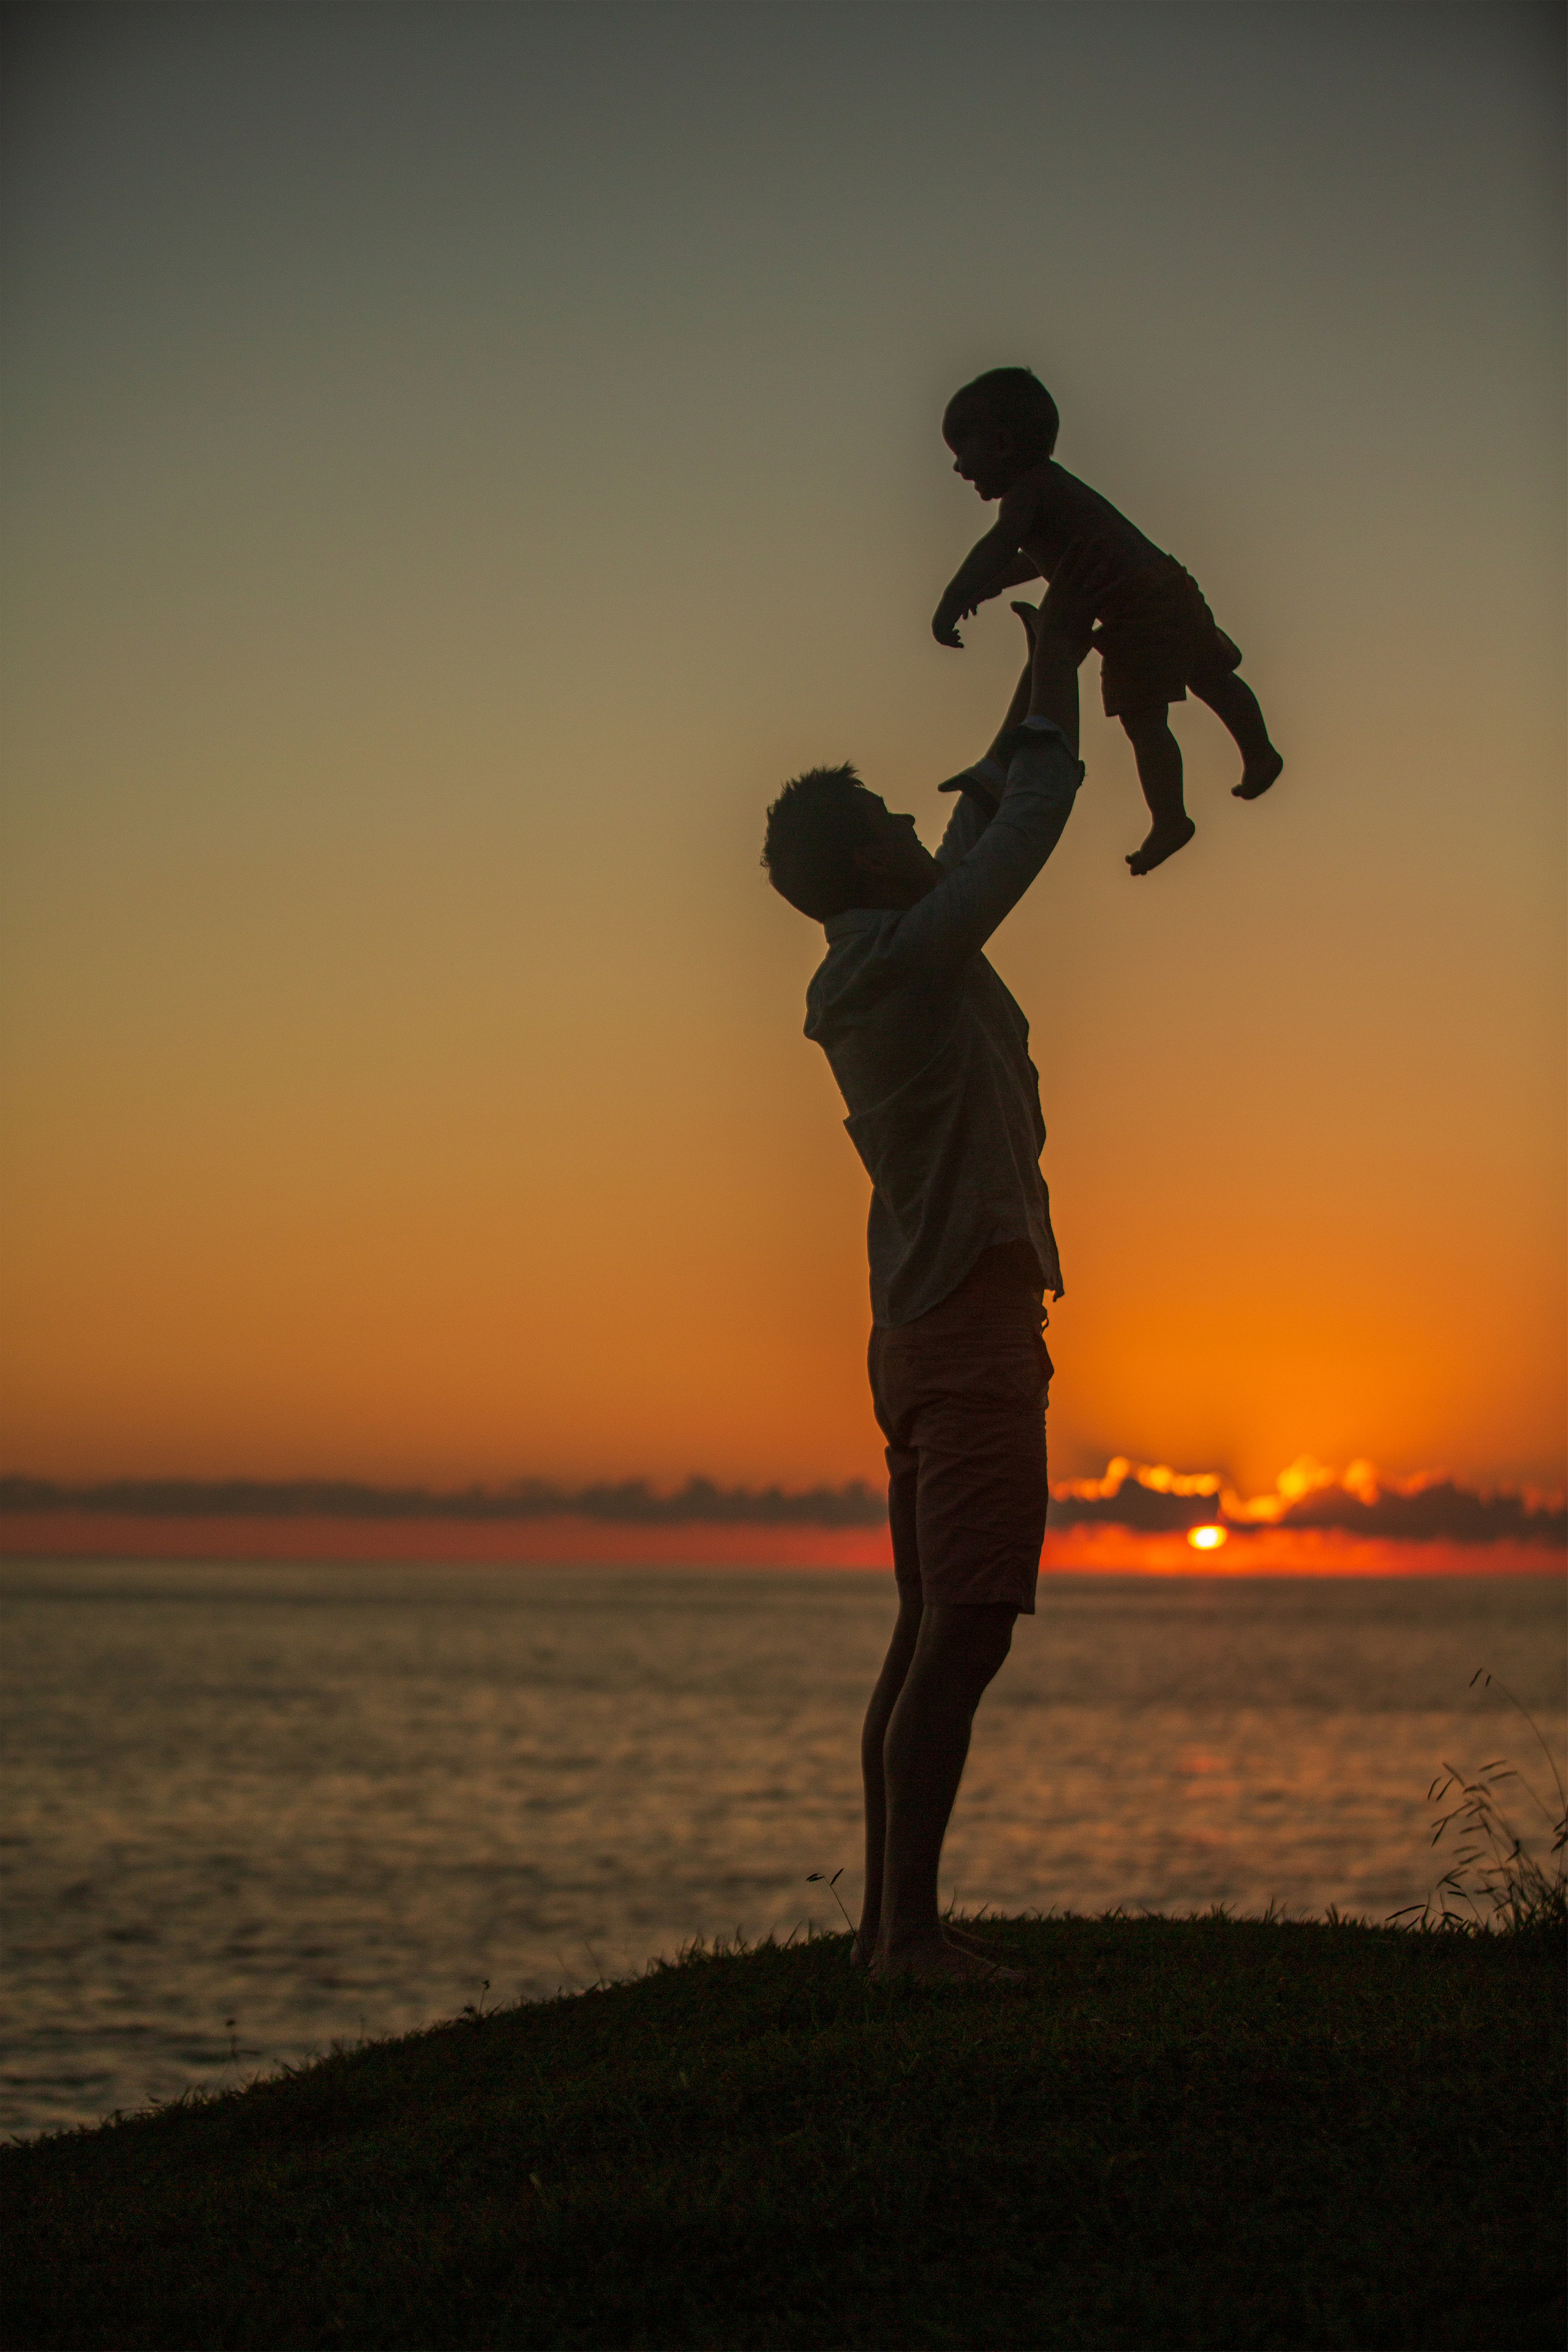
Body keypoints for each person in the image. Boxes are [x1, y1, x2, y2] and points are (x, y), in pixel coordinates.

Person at [761, 573, 1096, 1982]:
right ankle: (899, 1936)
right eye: (892, 819)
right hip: (960, 1327)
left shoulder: (880, 953)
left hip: (919, 1327)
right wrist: (1062, 684)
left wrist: (1028, 675)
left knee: (924, 1631)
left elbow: (964, 834)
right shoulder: (902, 961)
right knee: (960, 1632)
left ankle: (886, 1929)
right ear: (864, 864)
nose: (915, 822)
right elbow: (1013, 835)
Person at [933, 365, 1283, 875]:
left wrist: (952, 599)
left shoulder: (1027, 493)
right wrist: (993, 584)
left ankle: (1171, 818)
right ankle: (1260, 751)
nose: (960, 469)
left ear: (1003, 445)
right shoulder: (1055, 493)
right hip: (1169, 587)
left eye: (963, 453)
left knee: (1144, 721)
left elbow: (999, 547)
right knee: (1213, 676)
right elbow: (1039, 558)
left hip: (1134, 615)